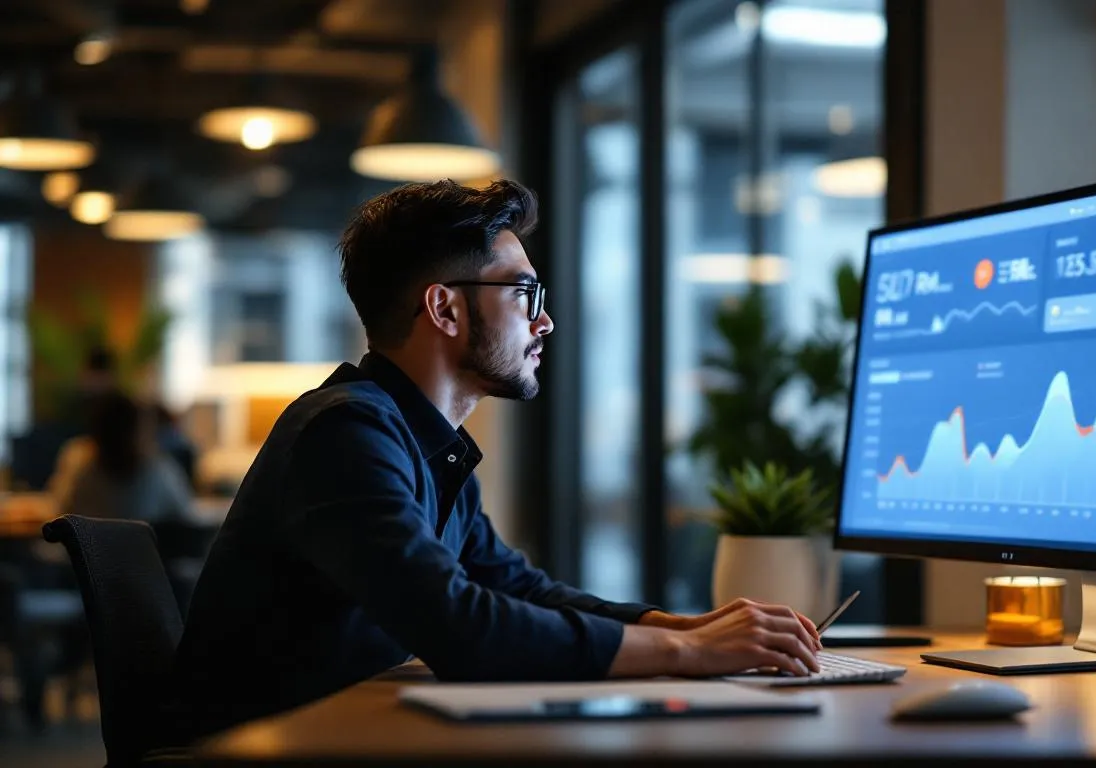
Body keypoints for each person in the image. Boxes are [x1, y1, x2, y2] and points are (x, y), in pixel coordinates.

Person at [161, 180, 822, 749]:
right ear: (444, 307)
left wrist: (685, 626)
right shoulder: (342, 433)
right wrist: (690, 654)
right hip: (254, 752)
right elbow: (461, 627)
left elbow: (515, 589)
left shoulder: (423, 443)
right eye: (525, 294)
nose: (547, 322)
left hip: (329, 735)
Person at [52, 391, 195, 524]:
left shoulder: (82, 474)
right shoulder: (160, 474)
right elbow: (185, 519)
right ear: (138, 432)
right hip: (148, 551)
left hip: (95, 550)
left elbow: (61, 512)